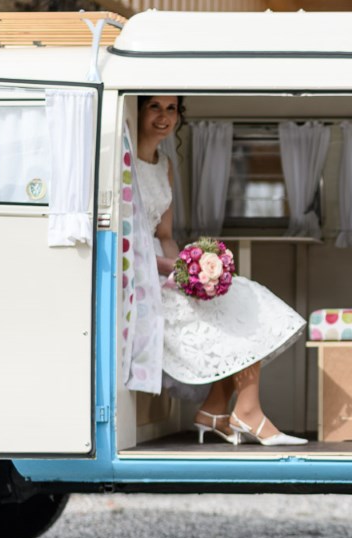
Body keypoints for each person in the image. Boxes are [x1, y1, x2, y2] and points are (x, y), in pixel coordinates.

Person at [133, 95, 308, 446]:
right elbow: (129, 245)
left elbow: (164, 236)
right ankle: (243, 413)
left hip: (164, 269)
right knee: (232, 311)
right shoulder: (124, 165)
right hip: (137, 276)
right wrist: (179, 268)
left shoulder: (164, 164)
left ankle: (216, 409)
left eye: (172, 109)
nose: (164, 116)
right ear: (136, 111)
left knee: (238, 294)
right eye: (154, 107)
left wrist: (192, 274)